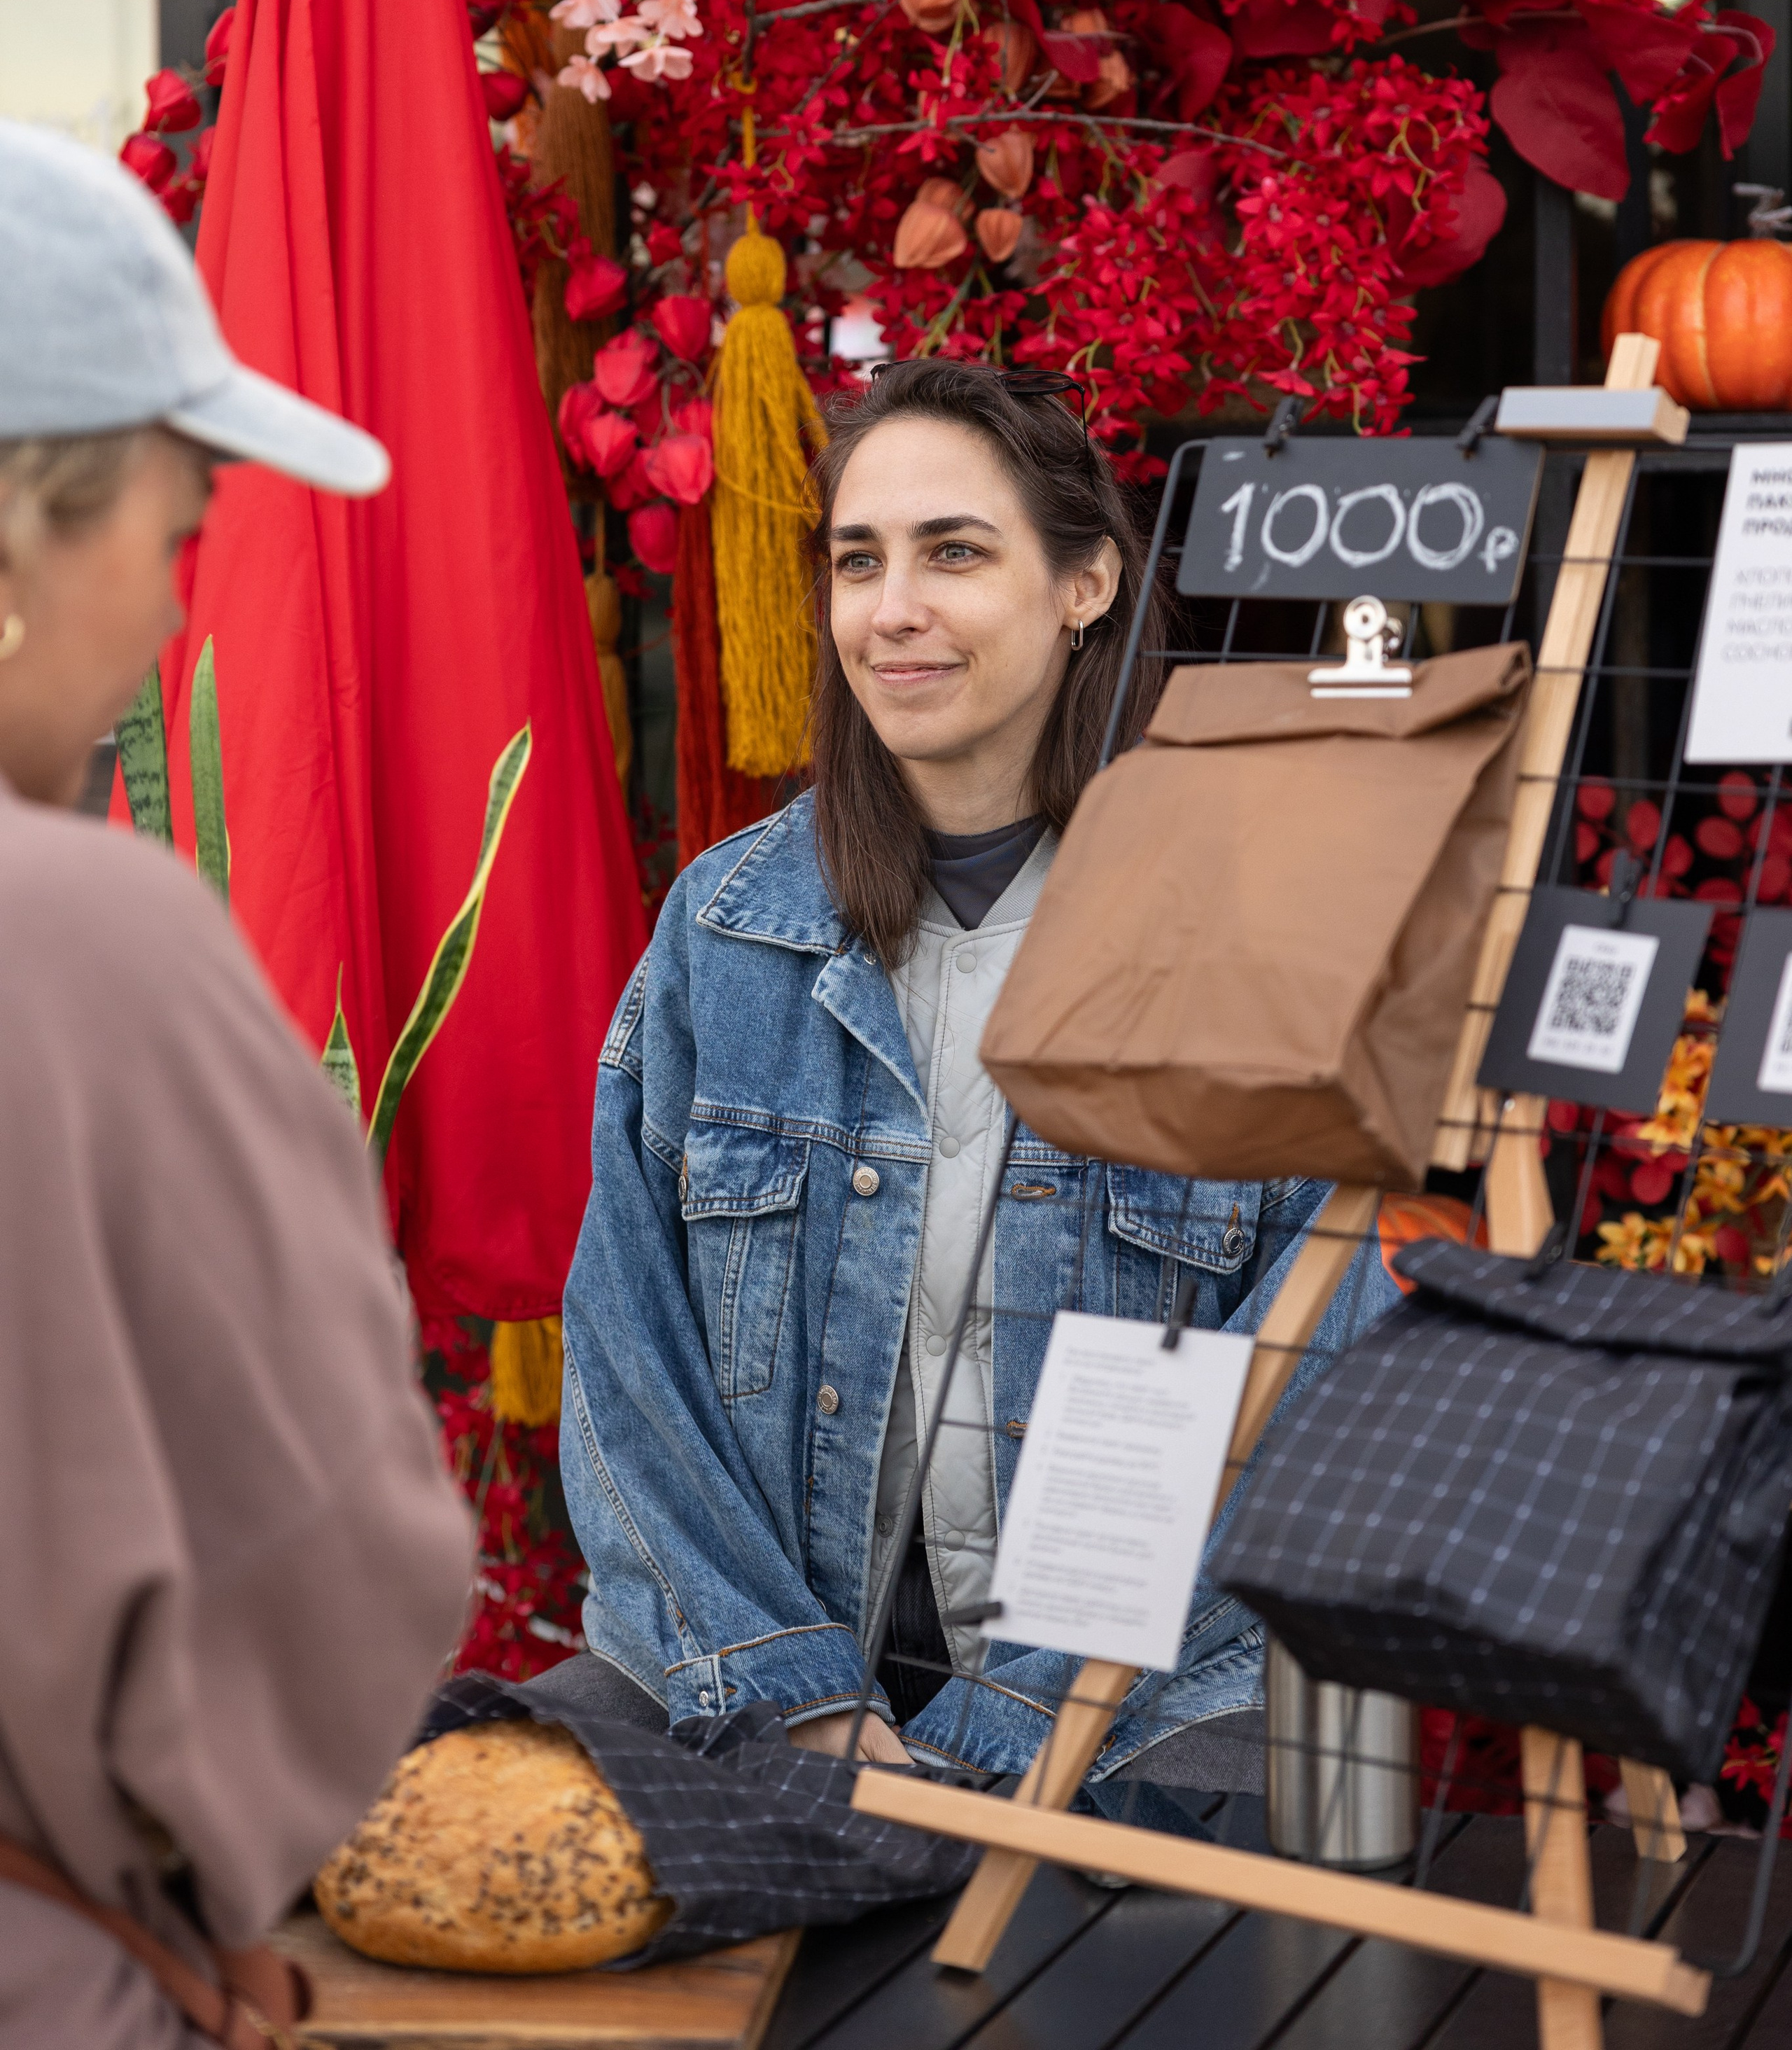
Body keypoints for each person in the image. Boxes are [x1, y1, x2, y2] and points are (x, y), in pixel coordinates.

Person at [560, 358, 1395, 1795]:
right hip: (751, 1659)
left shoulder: (1246, 947)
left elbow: (1301, 1383)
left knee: (1165, 1974)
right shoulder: (724, 929)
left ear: (1084, 587)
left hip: (1141, 1691)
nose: (892, 611)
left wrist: (1019, 1720)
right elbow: (625, 1350)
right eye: (857, 561)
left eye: (953, 552)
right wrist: (797, 1695)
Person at [0, 124, 474, 2049]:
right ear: (27, 522)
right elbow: (331, 1544)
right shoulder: (77, 938)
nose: (176, 615)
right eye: (176, 529)